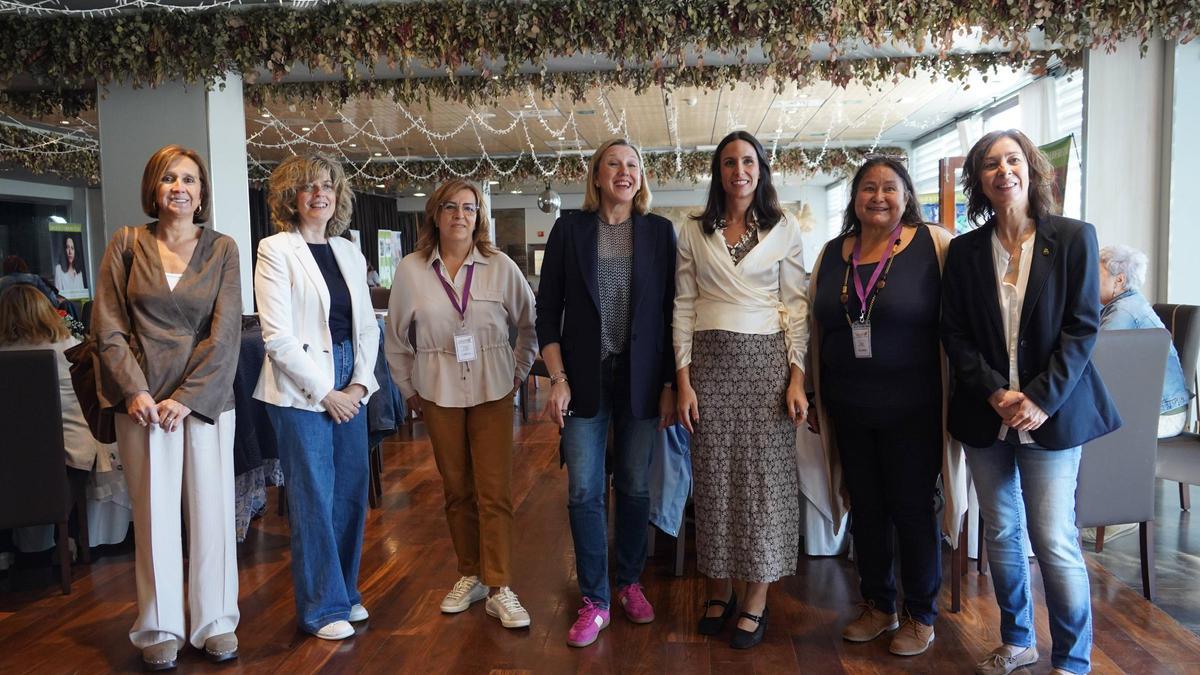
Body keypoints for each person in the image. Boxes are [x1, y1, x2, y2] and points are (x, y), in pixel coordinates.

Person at [941, 129, 1120, 675]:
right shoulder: (967, 251)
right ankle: (1017, 638)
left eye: (1012, 160)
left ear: (1031, 169)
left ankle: (1073, 657)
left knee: (1054, 538)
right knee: (999, 530)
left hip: (1052, 413)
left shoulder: (1073, 239)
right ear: (979, 180)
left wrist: (1039, 399)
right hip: (986, 413)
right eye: (990, 164)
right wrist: (994, 390)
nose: (1003, 171)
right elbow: (955, 332)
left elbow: (1082, 329)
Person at [93, 145, 242, 670]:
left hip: (204, 401)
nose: (180, 187)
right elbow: (108, 326)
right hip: (141, 404)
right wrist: (135, 391)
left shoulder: (223, 248)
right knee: (154, 517)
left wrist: (186, 398)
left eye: (190, 180)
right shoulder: (126, 243)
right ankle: (158, 625)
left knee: (212, 513)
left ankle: (215, 621)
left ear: (202, 193)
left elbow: (225, 335)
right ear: (153, 188)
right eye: (169, 179)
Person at [808, 157, 962, 657]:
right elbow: (818, 329)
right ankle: (878, 603)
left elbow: (959, 322)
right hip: (849, 406)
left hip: (914, 408)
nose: (878, 197)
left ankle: (920, 613)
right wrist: (813, 391)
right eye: (868, 188)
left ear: (906, 195)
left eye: (889, 188)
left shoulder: (933, 246)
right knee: (867, 508)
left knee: (913, 509)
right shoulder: (835, 253)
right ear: (855, 198)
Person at [535, 138, 677, 648]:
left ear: (642, 177)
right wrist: (558, 378)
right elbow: (547, 311)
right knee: (584, 489)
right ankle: (595, 598)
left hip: (641, 380)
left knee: (637, 486)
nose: (624, 172)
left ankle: (630, 583)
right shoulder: (570, 230)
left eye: (632, 165)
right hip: (583, 380)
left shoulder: (660, 233)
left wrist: (667, 384)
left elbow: (672, 314)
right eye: (613, 164)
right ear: (596, 176)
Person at [673, 131, 808, 649]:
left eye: (747, 161)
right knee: (713, 481)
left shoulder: (784, 227)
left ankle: (756, 599)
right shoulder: (694, 229)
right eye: (729, 162)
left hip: (767, 368)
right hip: (708, 366)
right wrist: (683, 380)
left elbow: (795, 306)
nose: (739, 170)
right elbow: (683, 306)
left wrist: (798, 377)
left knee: (763, 484)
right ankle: (718, 587)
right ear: (718, 172)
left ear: (761, 168)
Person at [385, 178, 537, 629]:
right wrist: (408, 388)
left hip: (492, 388)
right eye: (450, 207)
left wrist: (520, 371)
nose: (459, 216)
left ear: (479, 217)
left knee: (495, 490)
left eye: (469, 208)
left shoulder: (499, 266)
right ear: (435, 213)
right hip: (438, 392)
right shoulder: (411, 271)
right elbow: (395, 339)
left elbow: (530, 323)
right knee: (457, 490)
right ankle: (469, 573)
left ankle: (500, 586)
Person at [253, 153, 380, 641]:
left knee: (350, 492)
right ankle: (321, 607)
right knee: (313, 498)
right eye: (307, 187)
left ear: (337, 196)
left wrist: (360, 385)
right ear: (291, 197)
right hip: (302, 388)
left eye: (327, 186)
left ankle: (346, 593)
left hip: (351, 377)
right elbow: (277, 338)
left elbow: (368, 327)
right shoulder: (275, 249)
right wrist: (327, 392)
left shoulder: (349, 251)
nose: (318, 194)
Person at [1099, 244, 1192, 438]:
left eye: (1096, 275)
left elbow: (1096, 362)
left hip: (1162, 416)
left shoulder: (1124, 312)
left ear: (1119, 280)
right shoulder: (1129, 303)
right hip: (1162, 409)